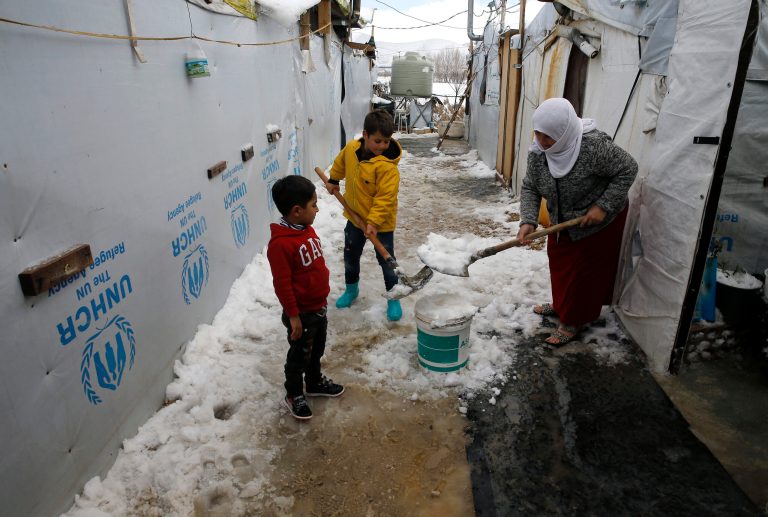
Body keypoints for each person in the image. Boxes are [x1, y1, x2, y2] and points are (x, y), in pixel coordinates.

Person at [517, 97, 638, 345]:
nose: (541, 140)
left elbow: (628, 168)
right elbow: (530, 186)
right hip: (563, 219)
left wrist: (603, 207)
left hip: (600, 220)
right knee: (560, 261)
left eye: (547, 136)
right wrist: (528, 220)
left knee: (584, 272)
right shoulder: (539, 153)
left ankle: (573, 320)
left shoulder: (593, 148)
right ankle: (562, 304)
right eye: (538, 133)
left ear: (563, 133)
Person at [267, 175, 344, 420]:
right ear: (297, 211)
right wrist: (293, 316)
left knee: (316, 350)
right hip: (301, 313)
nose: (318, 209)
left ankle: (313, 383)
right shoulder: (281, 245)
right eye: (314, 204)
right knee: (298, 355)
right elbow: (282, 284)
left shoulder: (305, 229)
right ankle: (294, 393)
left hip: (318, 307)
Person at [325, 109, 404, 321]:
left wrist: (374, 222)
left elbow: (385, 198)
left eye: (386, 142)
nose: (381, 146)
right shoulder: (351, 148)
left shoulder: (388, 169)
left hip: (381, 224)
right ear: (365, 135)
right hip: (354, 217)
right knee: (350, 255)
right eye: (377, 141)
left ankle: (394, 297)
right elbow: (341, 163)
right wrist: (333, 180)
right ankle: (352, 290)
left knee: (387, 261)